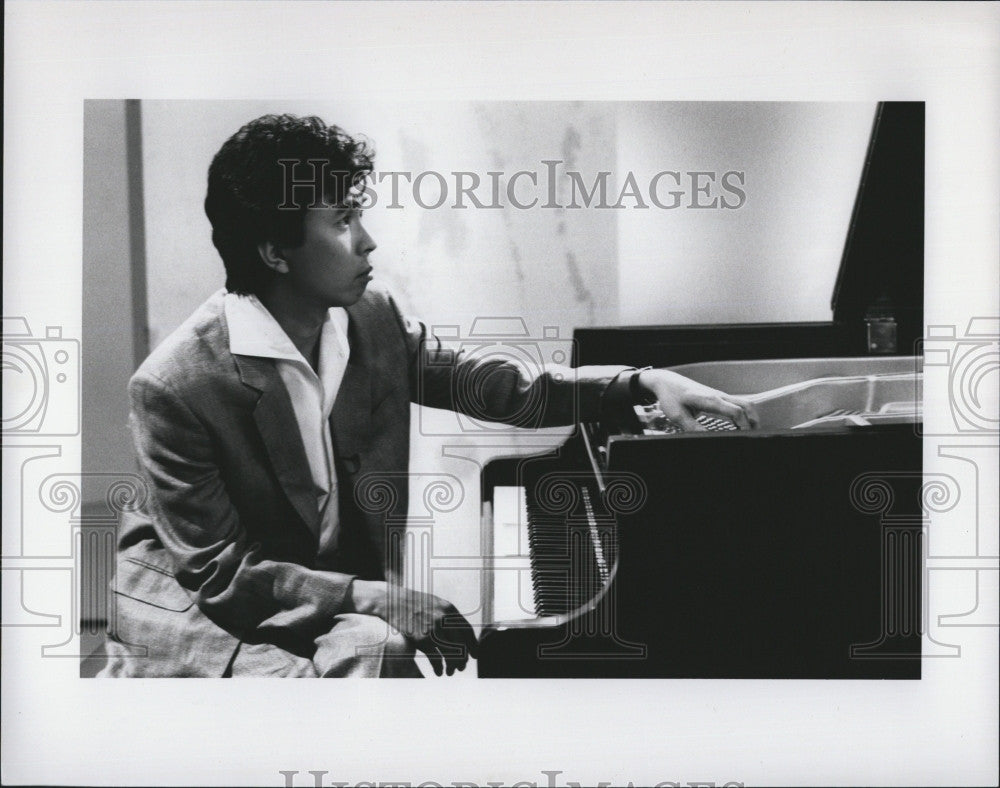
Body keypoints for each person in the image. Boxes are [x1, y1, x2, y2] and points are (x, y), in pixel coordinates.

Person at [99, 114, 758, 678]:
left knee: (377, 656)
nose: (368, 240)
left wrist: (637, 382)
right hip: (209, 617)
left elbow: (498, 387)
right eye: (344, 221)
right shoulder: (175, 386)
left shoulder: (369, 319)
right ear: (275, 252)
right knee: (377, 655)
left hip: (316, 590)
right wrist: (383, 599)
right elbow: (221, 576)